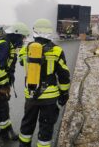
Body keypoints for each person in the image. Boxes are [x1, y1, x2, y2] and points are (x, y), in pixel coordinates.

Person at [18, 18, 70, 147]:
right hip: (50, 98)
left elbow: (20, 62)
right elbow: (64, 75)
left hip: (31, 95)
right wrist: (64, 93)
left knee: (27, 126)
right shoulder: (56, 51)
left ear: (34, 32)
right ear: (49, 32)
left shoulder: (25, 50)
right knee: (45, 129)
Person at [0, 22, 30, 141]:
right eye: (22, 37)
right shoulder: (5, 44)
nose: (23, 39)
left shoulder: (9, 43)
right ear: (16, 35)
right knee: (2, 105)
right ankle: (7, 133)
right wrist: (4, 83)